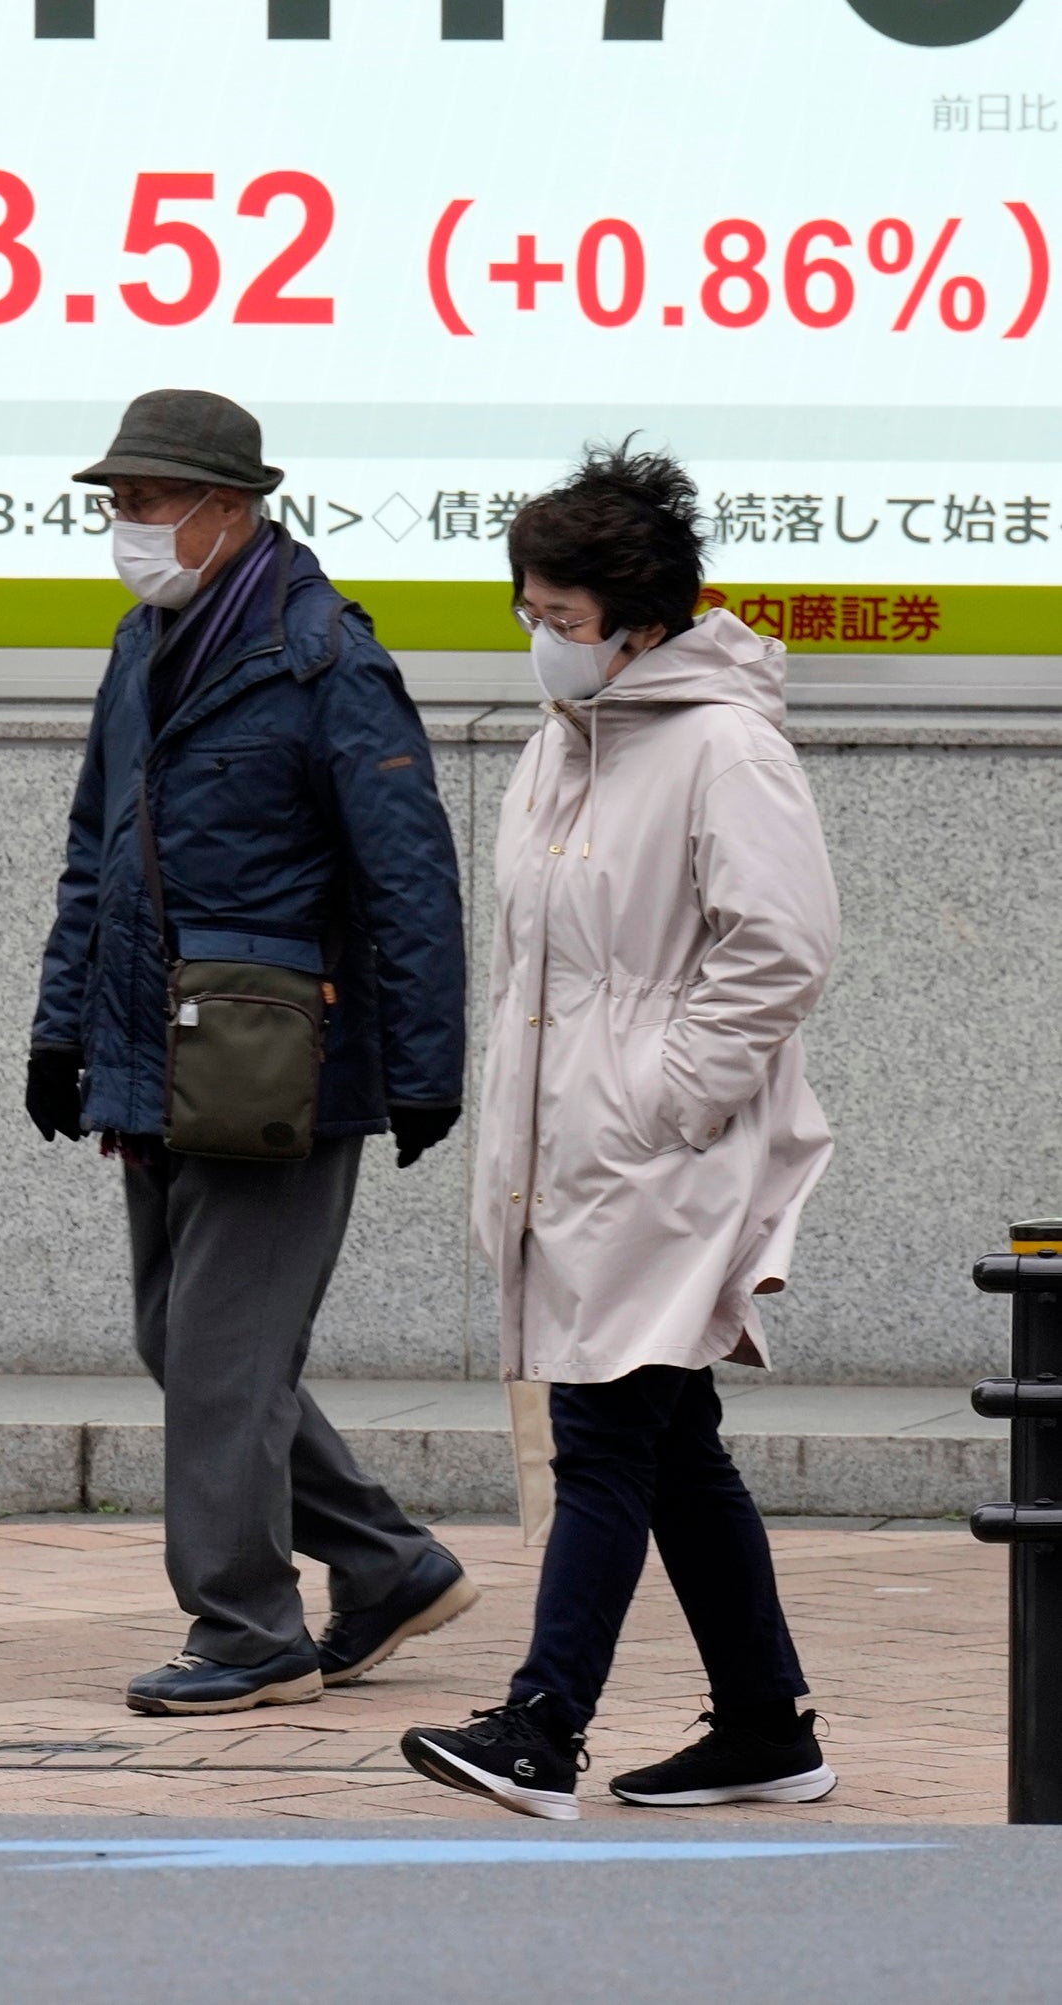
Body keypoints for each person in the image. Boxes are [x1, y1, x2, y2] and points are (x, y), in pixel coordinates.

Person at [403, 448, 841, 1820]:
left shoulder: (725, 745)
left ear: (643, 622)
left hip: (669, 1153)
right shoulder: (562, 746)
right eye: (529, 611)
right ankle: (767, 1725)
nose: (544, 640)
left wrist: (667, 1095)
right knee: (672, 1438)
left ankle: (543, 1723)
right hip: (584, 1150)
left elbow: (782, 946)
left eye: (566, 619)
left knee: (602, 1430)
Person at [28, 388, 479, 1717]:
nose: (127, 526)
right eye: (116, 502)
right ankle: (388, 1563)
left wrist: (421, 1066)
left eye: (148, 501)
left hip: (280, 1069)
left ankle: (248, 1628)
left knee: (223, 1359)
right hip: (152, 1058)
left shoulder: (323, 658)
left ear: (232, 508)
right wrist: (60, 1033)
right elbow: (93, 859)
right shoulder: (142, 645)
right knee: (185, 1340)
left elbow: (410, 879)